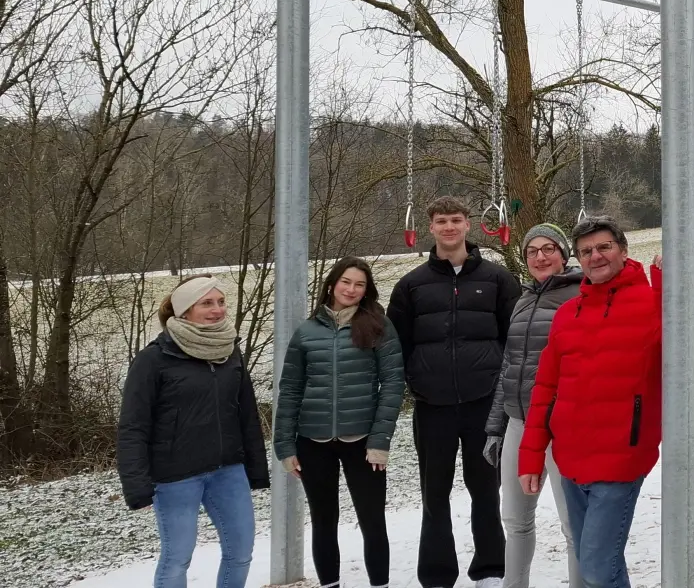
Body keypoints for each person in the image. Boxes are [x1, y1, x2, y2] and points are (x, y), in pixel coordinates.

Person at [517, 217, 663, 588]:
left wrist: (666, 290)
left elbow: (693, 339)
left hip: (621, 456)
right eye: (586, 251)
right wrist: (532, 456)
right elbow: (545, 388)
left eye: (603, 247)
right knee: (595, 562)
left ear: (623, 250)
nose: (595, 256)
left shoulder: (649, 302)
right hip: (572, 459)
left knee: (598, 567)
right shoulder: (568, 314)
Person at [387, 196, 522, 588]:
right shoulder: (411, 285)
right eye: (442, 221)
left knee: (485, 490)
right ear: (431, 227)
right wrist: (417, 384)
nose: (449, 227)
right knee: (435, 494)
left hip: (485, 405)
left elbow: (513, 339)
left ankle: (490, 570)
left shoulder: (497, 279)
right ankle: (436, 575)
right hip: (433, 407)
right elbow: (398, 345)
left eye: (456, 220)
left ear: (469, 225)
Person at [117, 275, 270, 588]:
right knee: (177, 560)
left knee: (241, 553)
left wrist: (255, 469)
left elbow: (247, 416)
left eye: (221, 302)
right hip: (176, 477)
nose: (217, 310)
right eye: (206, 303)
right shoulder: (153, 360)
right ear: (184, 311)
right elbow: (133, 426)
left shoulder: (230, 351)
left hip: (228, 471)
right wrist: (136, 484)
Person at [275, 257, 405, 588]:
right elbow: (290, 389)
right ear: (332, 284)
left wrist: (380, 441)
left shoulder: (378, 326)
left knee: (373, 521)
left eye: (359, 284)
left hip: (363, 443)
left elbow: (392, 385)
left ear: (366, 291)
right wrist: (285, 444)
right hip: (312, 441)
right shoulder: (307, 331)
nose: (351, 289)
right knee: (323, 521)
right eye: (346, 282)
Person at [483, 224, 583, 588]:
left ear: (563, 253)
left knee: (573, 523)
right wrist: (496, 427)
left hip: (560, 426)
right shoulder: (523, 301)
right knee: (515, 519)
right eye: (532, 251)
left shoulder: (580, 295)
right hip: (518, 423)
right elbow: (509, 367)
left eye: (548, 249)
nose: (540, 257)